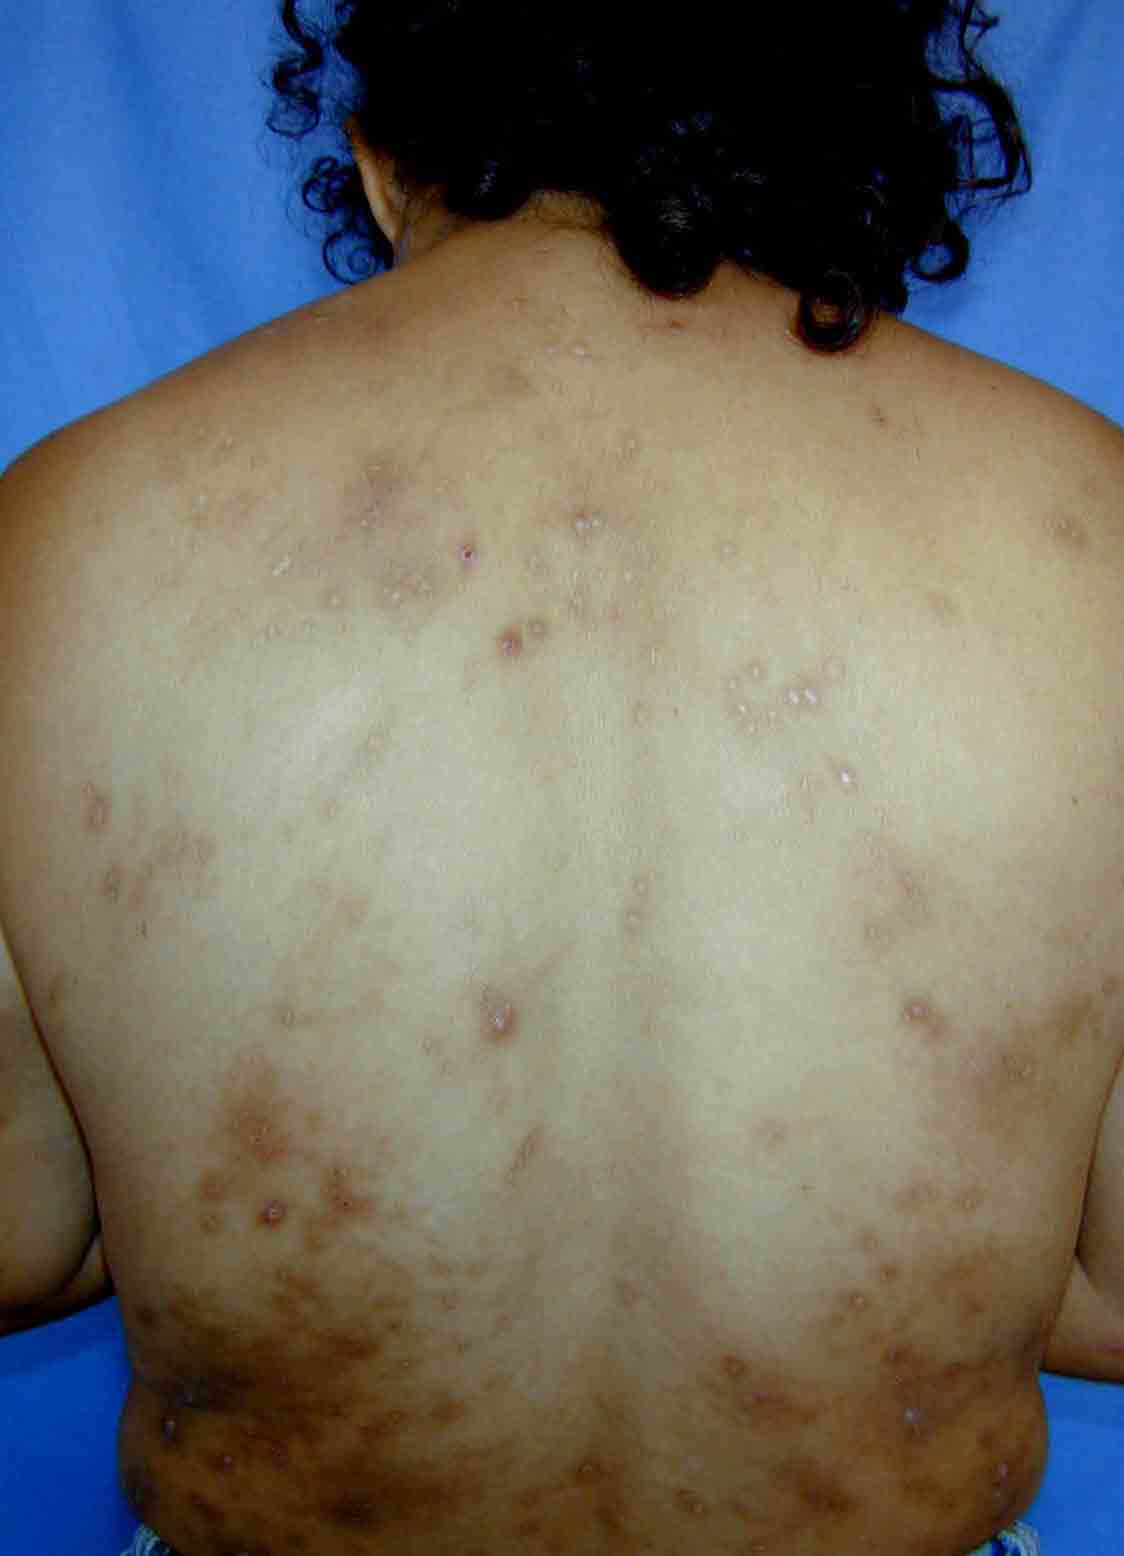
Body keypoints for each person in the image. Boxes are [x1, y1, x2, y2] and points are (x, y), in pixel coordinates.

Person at [0, 3, 1121, 1554]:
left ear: (382, 163)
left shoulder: (70, 532)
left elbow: (17, 1230)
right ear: (838, 138)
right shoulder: (1093, 536)